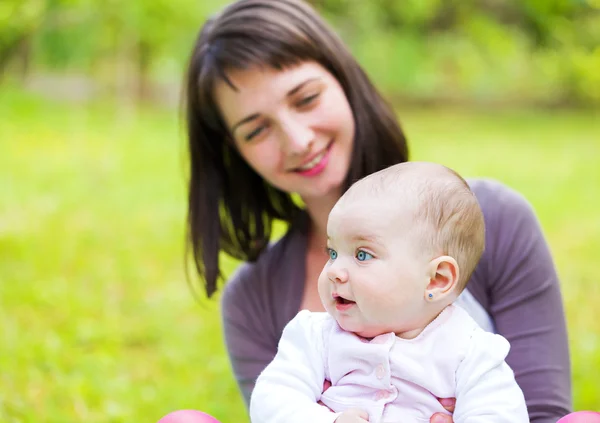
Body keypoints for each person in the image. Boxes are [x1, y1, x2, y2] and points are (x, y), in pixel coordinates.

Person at [173, 0, 576, 422]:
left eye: (306, 98)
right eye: (257, 130)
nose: (297, 140)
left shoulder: (493, 222)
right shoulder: (261, 304)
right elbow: (276, 405)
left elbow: (539, 413)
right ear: (234, 154)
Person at [249, 161, 529, 423]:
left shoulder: (471, 353)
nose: (334, 270)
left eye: (362, 254)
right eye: (333, 252)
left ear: (436, 280)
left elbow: (500, 414)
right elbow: (272, 398)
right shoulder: (314, 337)